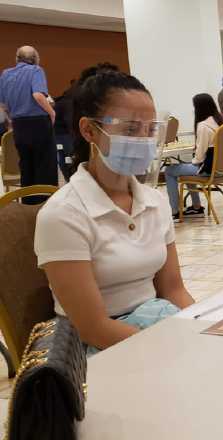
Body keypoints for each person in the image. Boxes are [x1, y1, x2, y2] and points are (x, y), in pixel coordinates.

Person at [34, 70, 195, 353]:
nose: (144, 141)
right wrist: (168, 349)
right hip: (99, 349)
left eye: (150, 130)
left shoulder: (154, 201)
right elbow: (92, 327)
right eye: (131, 129)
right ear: (89, 131)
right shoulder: (63, 214)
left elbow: (173, 290)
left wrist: (198, 330)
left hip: (154, 330)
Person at [0, 46, 57, 204]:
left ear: (17, 58)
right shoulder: (36, 70)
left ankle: (28, 204)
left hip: (19, 125)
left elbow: (3, 105)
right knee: (45, 166)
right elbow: (38, 95)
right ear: (35, 58)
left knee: (26, 166)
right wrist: (51, 112)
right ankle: (45, 205)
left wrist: (11, 120)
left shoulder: (5, 74)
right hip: (38, 122)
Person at [164, 93, 223, 219]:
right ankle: (196, 207)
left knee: (169, 170)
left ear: (199, 108)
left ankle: (174, 211)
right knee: (186, 170)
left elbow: (199, 158)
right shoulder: (220, 121)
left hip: (208, 170)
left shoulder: (203, 126)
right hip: (222, 170)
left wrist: (192, 160)